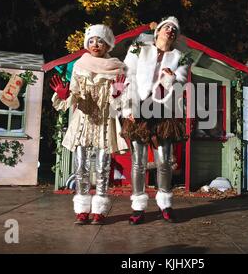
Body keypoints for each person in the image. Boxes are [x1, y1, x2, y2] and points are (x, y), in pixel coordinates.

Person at [50, 24, 128, 225]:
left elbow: (120, 104)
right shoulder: (79, 65)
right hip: (83, 122)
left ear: (107, 45)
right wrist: (64, 95)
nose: (95, 44)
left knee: (103, 166)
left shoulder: (117, 68)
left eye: (100, 41)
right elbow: (73, 95)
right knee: (81, 167)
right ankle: (82, 210)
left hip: (104, 123)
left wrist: (117, 94)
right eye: (92, 40)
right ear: (87, 44)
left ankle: (99, 211)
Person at [121, 16, 189, 225]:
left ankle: (165, 205)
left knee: (164, 161)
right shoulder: (139, 48)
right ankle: (138, 208)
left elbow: (182, 79)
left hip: (163, 109)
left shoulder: (181, 56)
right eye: (166, 27)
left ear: (175, 36)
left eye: (174, 29)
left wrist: (170, 77)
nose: (170, 30)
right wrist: (127, 105)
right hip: (139, 107)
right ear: (158, 31)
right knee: (138, 163)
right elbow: (126, 75)